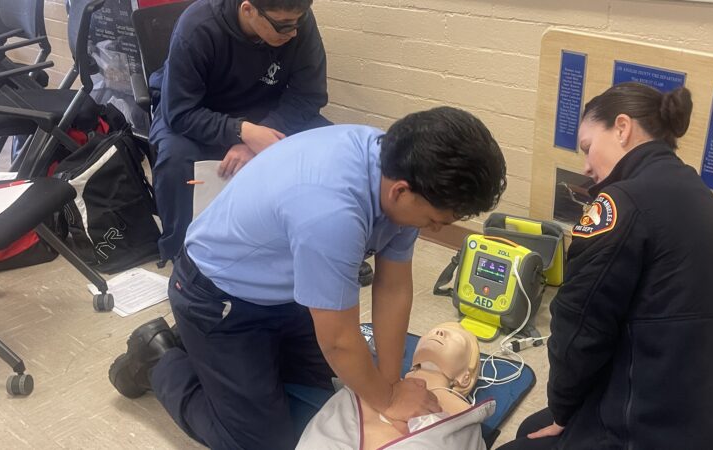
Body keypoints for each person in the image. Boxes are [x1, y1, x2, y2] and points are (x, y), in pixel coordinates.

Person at [108, 107, 507, 449]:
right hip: (215, 296)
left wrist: (390, 383)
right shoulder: (332, 213)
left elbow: (393, 286)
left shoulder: (401, 167)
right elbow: (337, 340)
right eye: (435, 221)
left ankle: (207, 350)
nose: (435, 230)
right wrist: (387, 400)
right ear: (401, 192)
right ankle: (159, 356)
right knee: (260, 442)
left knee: (337, 385)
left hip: (286, 290)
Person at [498, 82, 713, 450]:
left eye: (587, 148)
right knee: (535, 424)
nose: (586, 166)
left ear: (622, 128)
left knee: (523, 439)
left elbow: (579, 326)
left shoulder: (621, 203)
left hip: (651, 430)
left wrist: (563, 410)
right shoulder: (703, 198)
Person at [149, 0, 335, 267]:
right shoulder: (197, 28)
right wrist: (240, 131)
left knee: (330, 148)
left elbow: (309, 96)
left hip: (264, 111)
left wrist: (255, 140)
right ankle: (184, 257)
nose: (293, 32)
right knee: (175, 159)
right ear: (248, 10)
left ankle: (326, 245)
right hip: (197, 111)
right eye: (283, 26)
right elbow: (180, 112)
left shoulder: (294, 19)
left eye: (298, 22)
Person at [297, 322, 491, 450]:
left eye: (455, 338)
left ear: (465, 377)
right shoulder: (366, 382)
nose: (439, 332)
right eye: (432, 331)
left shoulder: (464, 421)